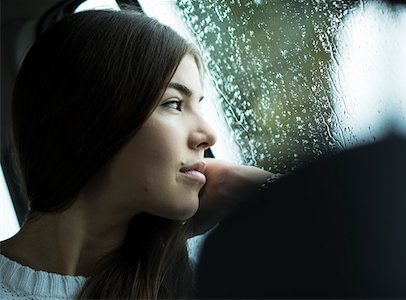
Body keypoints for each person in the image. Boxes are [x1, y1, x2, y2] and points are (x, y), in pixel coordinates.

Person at [0, 9, 273, 299]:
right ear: (88, 119)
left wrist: (258, 194)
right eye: (174, 104)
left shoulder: (204, 271)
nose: (208, 135)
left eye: (199, 105)